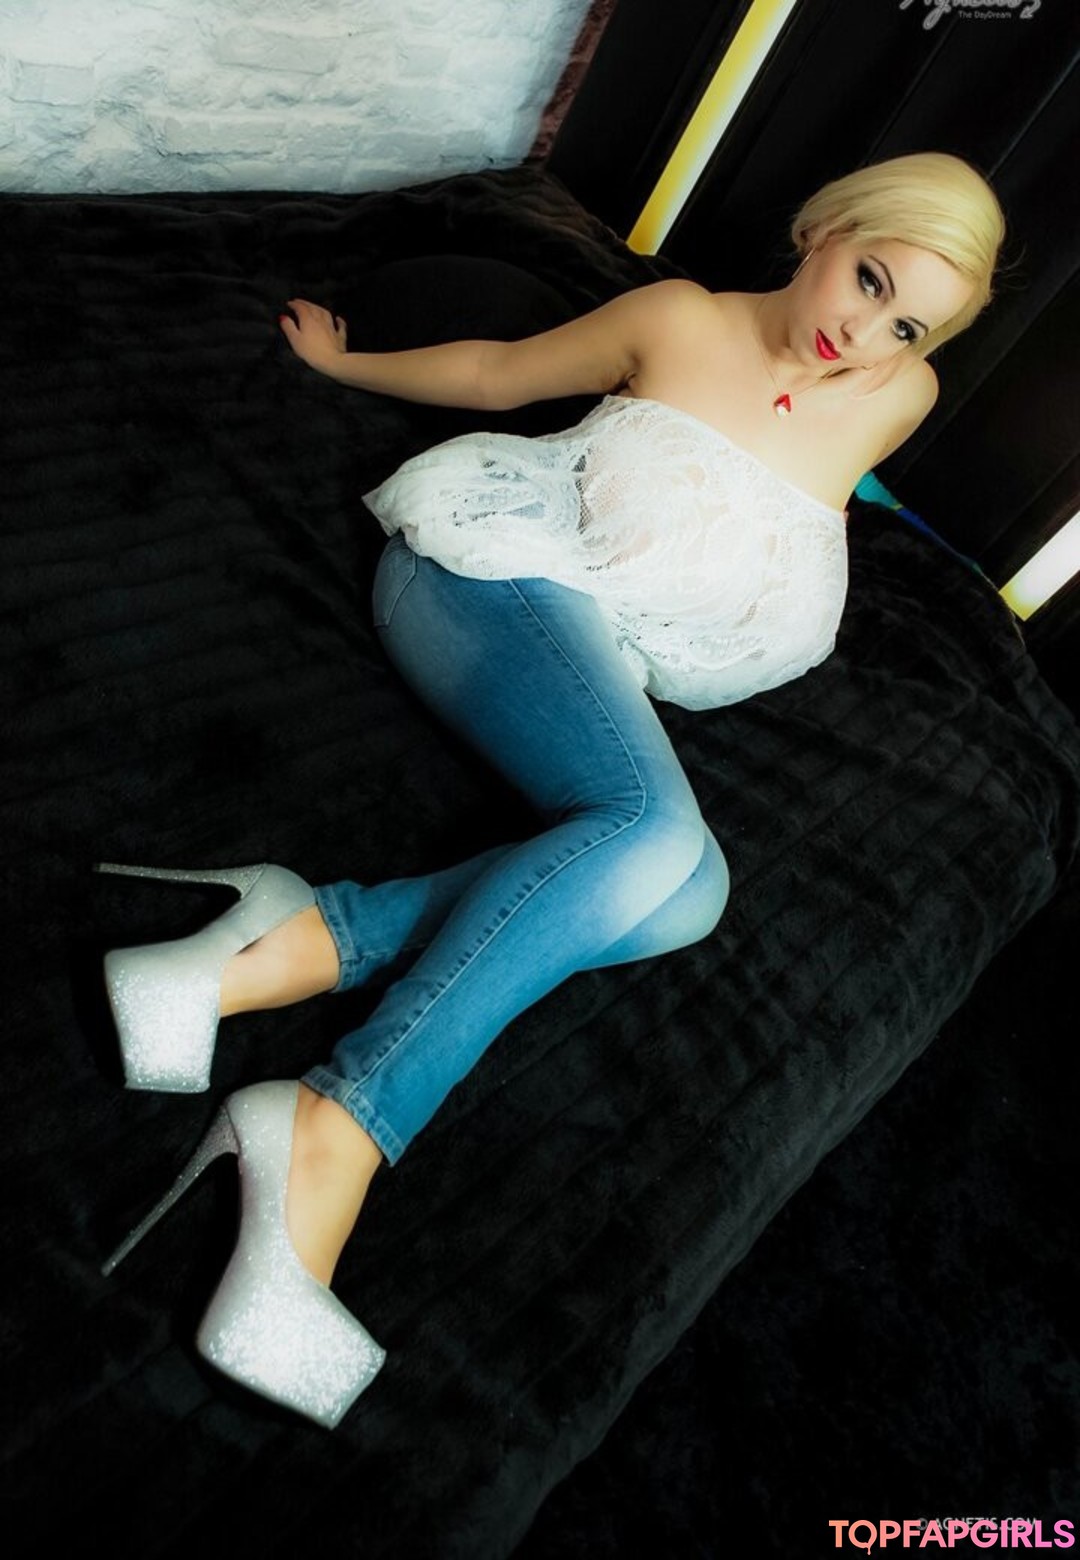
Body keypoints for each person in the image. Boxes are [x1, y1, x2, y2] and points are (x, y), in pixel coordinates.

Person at [98, 151, 1006, 1427]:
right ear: (826, 229)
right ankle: (337, 1123)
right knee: (655, 833)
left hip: (606, 650)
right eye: (868, 279)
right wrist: (346, 365)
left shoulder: (894, 398)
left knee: (688, 893)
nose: (861, 335)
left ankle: (274, 946)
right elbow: (495, 375)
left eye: (907, 324)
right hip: (487, 575)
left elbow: (791, 496)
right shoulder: (678, 319)